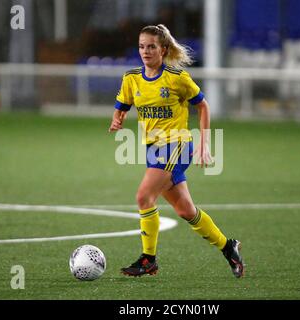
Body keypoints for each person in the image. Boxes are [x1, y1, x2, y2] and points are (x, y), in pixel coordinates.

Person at [109, 24, 244, 279]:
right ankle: (229, 247)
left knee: (143, 196)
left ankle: (148, 259)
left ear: (163, 49)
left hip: (178, 145)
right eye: (141, 46)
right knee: (186, 211)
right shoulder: (131, 78)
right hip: (153, 149)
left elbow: (203, 106)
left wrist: (204, 144)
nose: (145, 51)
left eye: (151, 46)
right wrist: (117, 119)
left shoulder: (176, 77)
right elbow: (122, 105)